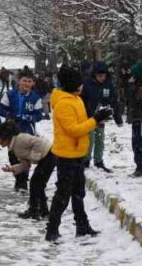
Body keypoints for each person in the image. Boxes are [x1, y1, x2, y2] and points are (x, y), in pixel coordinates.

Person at [45, 65, 109, 242]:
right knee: (63, 195)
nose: (82, 86)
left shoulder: (75, 99)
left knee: (78, 192)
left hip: (78, 153)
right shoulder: (64, 103)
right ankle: (52, 229)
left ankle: (82, 226)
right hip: (67, 155)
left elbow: (82, 123)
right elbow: (73, 129)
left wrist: (98, 117)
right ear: (73, 84)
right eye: (79, 83)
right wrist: (95, 120)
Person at [0, 119, 55, 219]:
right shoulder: (15, 148)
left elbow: (39, 143)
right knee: (37, 184)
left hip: (49, 155)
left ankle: (36, 210)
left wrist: (34, 157)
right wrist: (12, 169)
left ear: (6, 137)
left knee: (36, 183)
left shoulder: (20, 139)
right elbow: (25, 164)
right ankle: (42, 211)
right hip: (45, 158)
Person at [0, 70, 44, 192]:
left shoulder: (35, 97)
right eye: (24, 81)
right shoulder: (10, 94)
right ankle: (18, 178)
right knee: (13, 156)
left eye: (29, 81)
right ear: (18, 81)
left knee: (24, 157)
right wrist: (9, 114)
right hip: (11, 131)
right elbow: (1, 109)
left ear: (33, 83)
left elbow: (39, 115)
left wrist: (27, 117)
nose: (26, 84)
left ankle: (23, 182)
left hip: (27, 131)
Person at [81, 61, 122, 172]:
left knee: (100, 138)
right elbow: (81, 100)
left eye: (104, 75)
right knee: (90, 139)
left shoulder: (108, 85)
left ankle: (98, 160)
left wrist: (118, 118)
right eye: (100, 75)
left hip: (101, 116)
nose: (102, 78)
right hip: (88, 116)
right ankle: (85, 160)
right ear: (94, 74)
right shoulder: (87, 84)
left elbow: (113, 101)